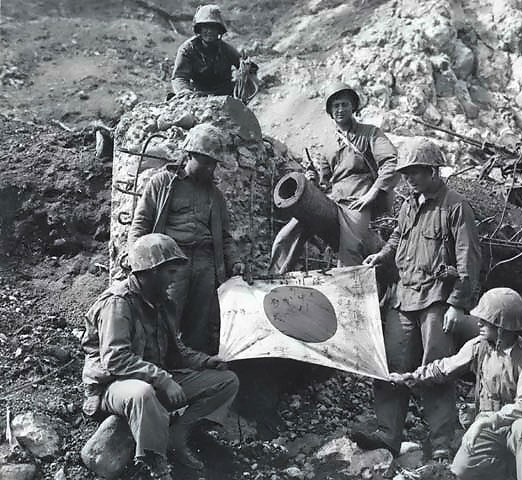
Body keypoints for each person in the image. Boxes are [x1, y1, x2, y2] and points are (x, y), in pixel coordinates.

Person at [352, 139, 482, 460]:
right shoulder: (409, 204)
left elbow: (468, 257)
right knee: (392, 366)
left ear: (433, 170)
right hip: (402, 297)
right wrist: (381, 256)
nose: (409, 179)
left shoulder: (455, 206)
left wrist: (457, 304)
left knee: (436, 369)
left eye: (416, 172)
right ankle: (387, 435)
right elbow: (398, 237)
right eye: (406, 173)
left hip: (437, 300)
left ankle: (440, 442)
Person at [81, 234, 240, 479]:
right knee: (141, 393)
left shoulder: (161, 303)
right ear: (151, 272)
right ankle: (156, 462)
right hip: (113, 386)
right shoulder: (118, 303)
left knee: (226, 381)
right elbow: (115, 359)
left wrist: (206, 362)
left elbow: (176, 351)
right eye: (170, 272)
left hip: (153, 379)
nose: (174, 278)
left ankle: (178, 437)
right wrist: (163, 379)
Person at [390, 288, 522, 480]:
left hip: (514, 425)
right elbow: (445, 367)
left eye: (485, 320)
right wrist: (413, 376)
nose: (478, 323)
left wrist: (486, 421)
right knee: (461, 471)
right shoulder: (479, 346)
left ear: (500, 326)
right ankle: (510, 470)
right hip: (488, 426)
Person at [128, 123, 244, 355]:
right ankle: (161, 365)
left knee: (200, 321)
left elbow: (224, 237)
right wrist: (135, 258)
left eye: (214, 163)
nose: (211, 168)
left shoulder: (215, 195)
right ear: (190, 155)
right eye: (207, 162)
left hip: (205, 262)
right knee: (166, 316)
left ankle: (193, 369)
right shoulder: (162, 183)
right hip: (170, 262)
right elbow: (141, 222)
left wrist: (234, 261)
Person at [270, 81, 398, 273]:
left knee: (351, 246)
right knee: (287, 235)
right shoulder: (327, 144)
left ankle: (352, 294)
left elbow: (390, 162)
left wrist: (372, 193)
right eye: (335, 106)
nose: (340, 109)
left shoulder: (370, 133)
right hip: (333, 199)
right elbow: (324, 182)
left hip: (357, 201)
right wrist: (311, 179)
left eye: (344, 104)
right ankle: (275, 276)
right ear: (330, 110)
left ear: (353, 107)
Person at [171, 4, 258, 96]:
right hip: (197, 94)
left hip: (225, 93)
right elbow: (179, 77)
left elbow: (249, 68)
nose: (209, 31)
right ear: (199, 29)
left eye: (213, 27)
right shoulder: (187, 50)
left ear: (219, 30)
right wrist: (185, 91)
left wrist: (246, 71)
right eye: (205, 27)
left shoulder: (227, 50)